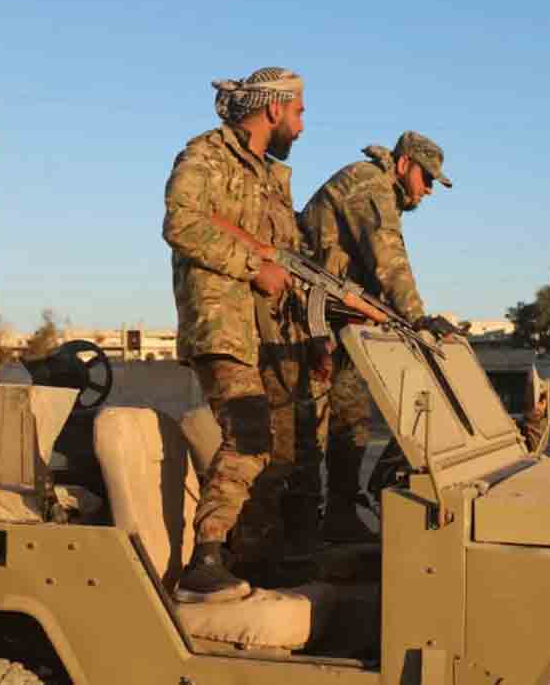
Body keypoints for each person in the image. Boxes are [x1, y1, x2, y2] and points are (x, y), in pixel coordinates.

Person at [162, 66, 319, 602]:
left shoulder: (268, 177)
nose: (301, 125)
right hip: (223, 321)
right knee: (249, 435)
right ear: (274, 108)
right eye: (298, 111)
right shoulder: (206, 156)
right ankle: (204, 561)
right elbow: (181, 222)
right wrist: (254, 266)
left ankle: (253, 557)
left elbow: (286, 259)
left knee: (280, 450)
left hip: (269, 332)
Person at [294, 132, 459, 548]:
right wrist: (417, 317)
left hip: (338, 324)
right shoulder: (369, 184)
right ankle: (294, 528)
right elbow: (388, 258)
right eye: (426, 178)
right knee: (305, 429)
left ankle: (340, 517)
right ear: (403, 165)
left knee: (352, 421)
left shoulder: (384, 192)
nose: (427, 190)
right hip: (304, 324)